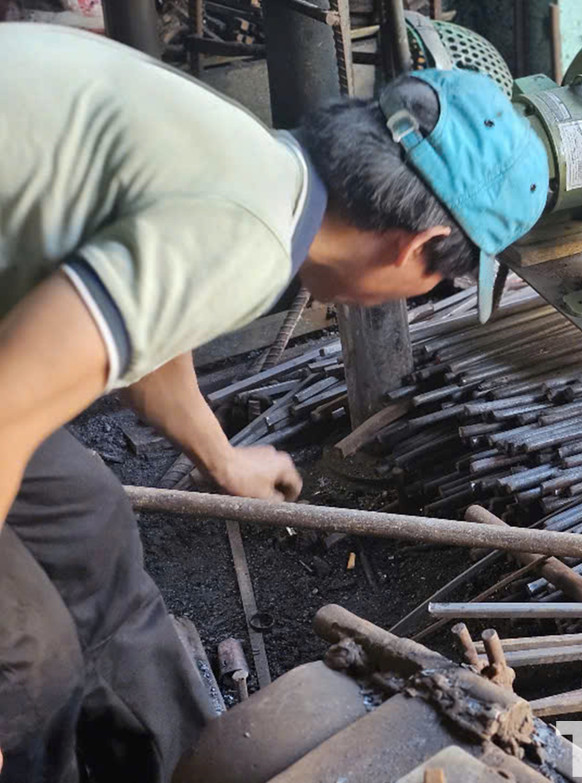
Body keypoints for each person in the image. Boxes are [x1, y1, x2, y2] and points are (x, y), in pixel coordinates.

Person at [0, 22, 548, 782]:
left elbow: (149, 324)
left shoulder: (257, 171)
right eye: (444, 282)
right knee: (28, 659)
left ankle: (198, 768)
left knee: (87, 520)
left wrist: (222, 458)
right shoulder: (249, 235)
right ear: (414, 249)